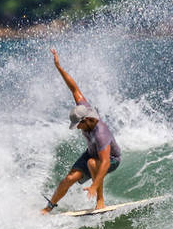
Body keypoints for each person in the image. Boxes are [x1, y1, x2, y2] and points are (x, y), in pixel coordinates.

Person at [41, 48, 121, 213]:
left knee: (93, 163)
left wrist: (94, 185)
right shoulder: (83, 108)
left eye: (79, 124)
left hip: (112, 160)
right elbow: (74, 89)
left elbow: (105, 162)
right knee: (68, 179)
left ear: (87, 120)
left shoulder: (101, 133)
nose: (77, 127)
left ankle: (100, 200)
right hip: (92, 153)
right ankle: (48, 208)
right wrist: (59, 67)